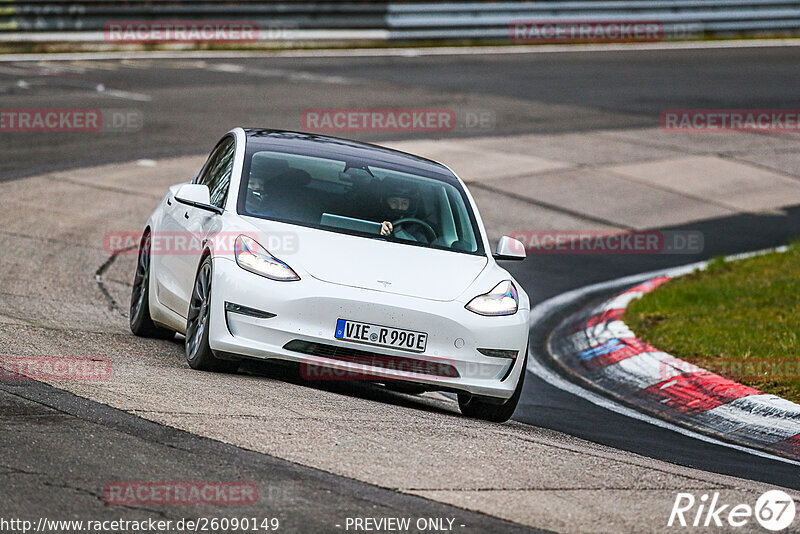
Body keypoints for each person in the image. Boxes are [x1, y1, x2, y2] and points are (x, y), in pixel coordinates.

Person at [378, 179, 432, 244]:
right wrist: (379, 228)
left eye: (404, 203)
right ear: (385, 201)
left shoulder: (417, 230)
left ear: (410, 205)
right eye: (394, 202)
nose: (399, 207)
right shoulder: (372, 220)